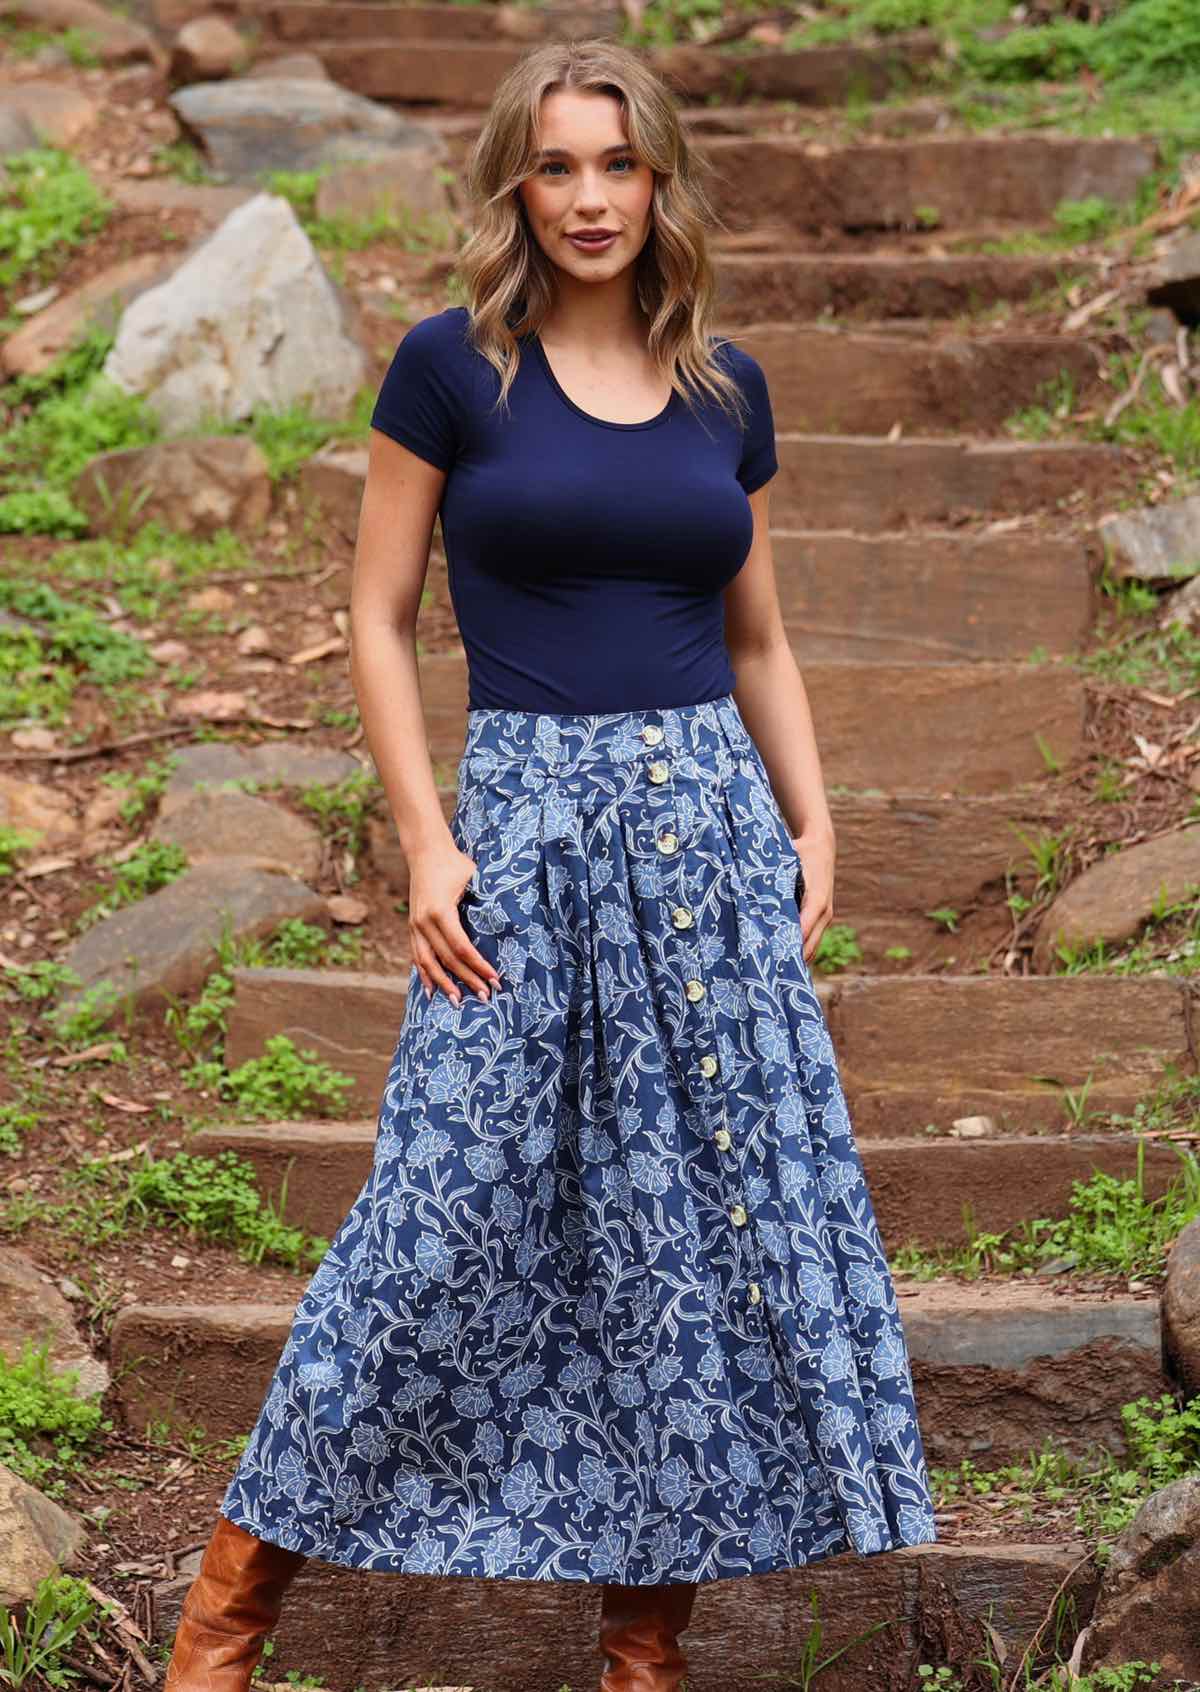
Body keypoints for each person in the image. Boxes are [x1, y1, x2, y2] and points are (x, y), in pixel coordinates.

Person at [161, 36, 938, 1692]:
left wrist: (812, 819)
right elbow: (374, 619)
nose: (590, 198)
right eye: (559, 166)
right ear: (518, 181)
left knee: (690, 1245)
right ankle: (228, 1613)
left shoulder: (727, 388)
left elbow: (762, 641)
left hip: (708, 846)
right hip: (521, 829)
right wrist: (427, 843)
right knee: (432, 1222)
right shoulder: (453, 369)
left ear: (662, 183)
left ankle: (641, 1658)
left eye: (619, 165)